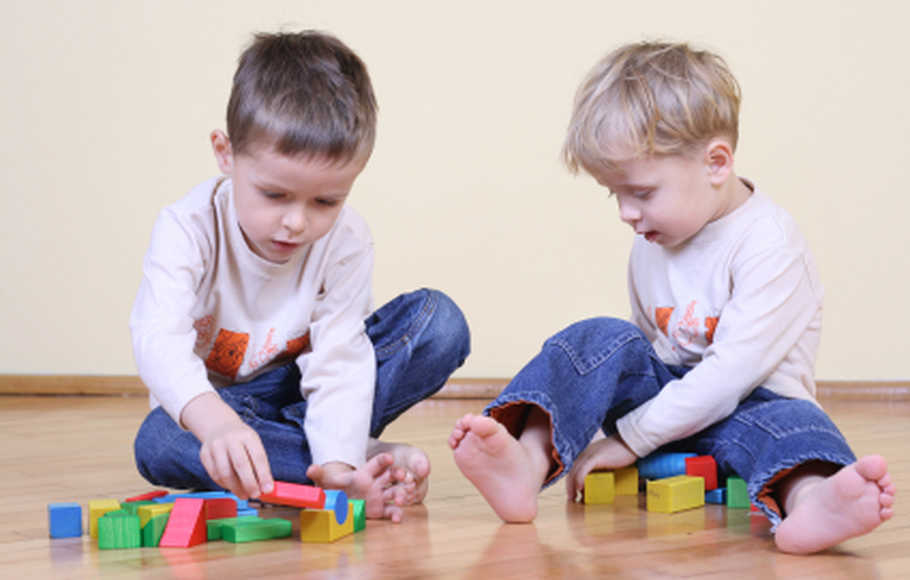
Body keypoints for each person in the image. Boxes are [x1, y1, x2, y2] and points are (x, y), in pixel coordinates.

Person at [449, 41, 894, 553]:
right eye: (614, 194)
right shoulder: (653, 239)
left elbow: (729, 377)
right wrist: (622, 428)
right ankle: (528, 462)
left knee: (796, 425)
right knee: (601, 338)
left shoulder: (770, 244)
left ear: (716, 163)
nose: (626, 213)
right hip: (666, 408)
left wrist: (629, 439)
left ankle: (813, 500)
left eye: (641, 193)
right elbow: (643, 348)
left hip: (750, 408)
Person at [131, 30, 470, 522]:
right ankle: (355, 456)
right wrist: (218, 424)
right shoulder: (187, 228)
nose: (296, 222)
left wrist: (337, 468)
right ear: (226, 153)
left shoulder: (346, 240)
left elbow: (339, 359)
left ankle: (331, 461)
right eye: (274, 195)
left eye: (326, 201)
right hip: (220, 407)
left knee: (440, 324)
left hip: (306, 394)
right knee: (160, 439)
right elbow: (157, 340)